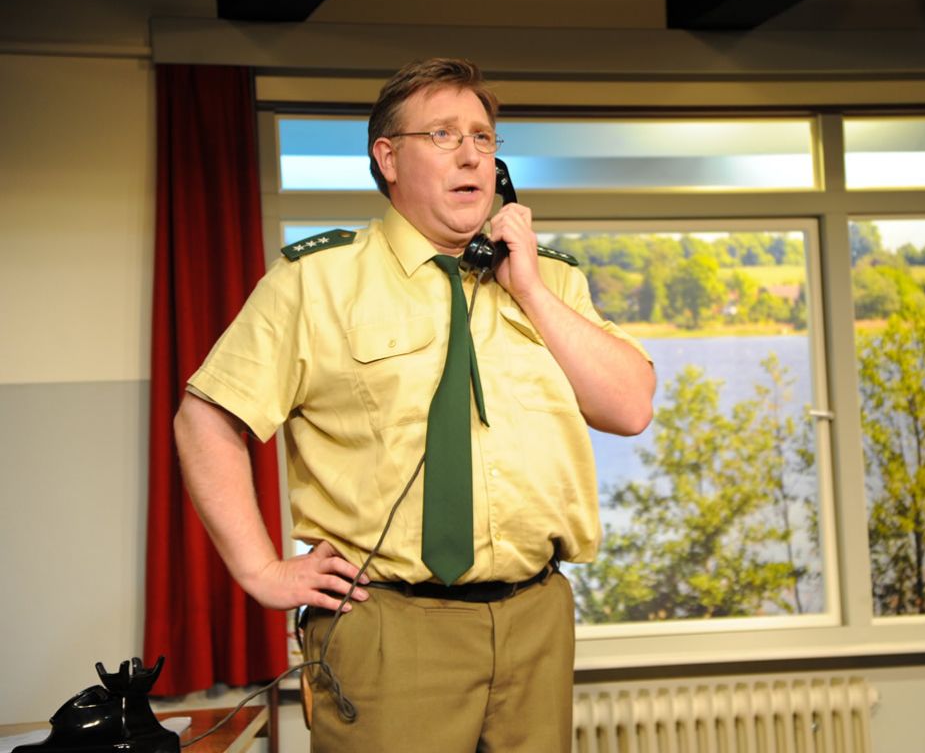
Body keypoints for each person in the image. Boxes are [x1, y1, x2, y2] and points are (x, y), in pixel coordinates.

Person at [173, 57, 656, 752]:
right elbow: (205, 418)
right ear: (388, 158)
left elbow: (630, 407)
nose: (470, 154)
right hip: (388, 626)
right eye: (442, 135)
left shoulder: (548, 279)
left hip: (537, 618)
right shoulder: (316, 280)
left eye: (483, 137)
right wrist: (260, 569)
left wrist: (529, 290)